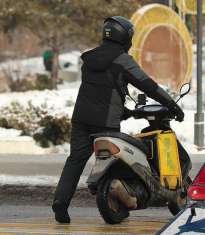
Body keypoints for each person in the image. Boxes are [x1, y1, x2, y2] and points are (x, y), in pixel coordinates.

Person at [52, 16, 185, 223]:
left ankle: (60, 202)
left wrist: (125, 111)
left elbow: (99, 93)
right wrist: (172, 105)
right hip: (104, 123)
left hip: (81, 119)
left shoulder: (89, 61)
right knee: (117, 163)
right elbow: (147, 85)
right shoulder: (123, 60)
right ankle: (123, 197)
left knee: (75, 161)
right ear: (124, 37)